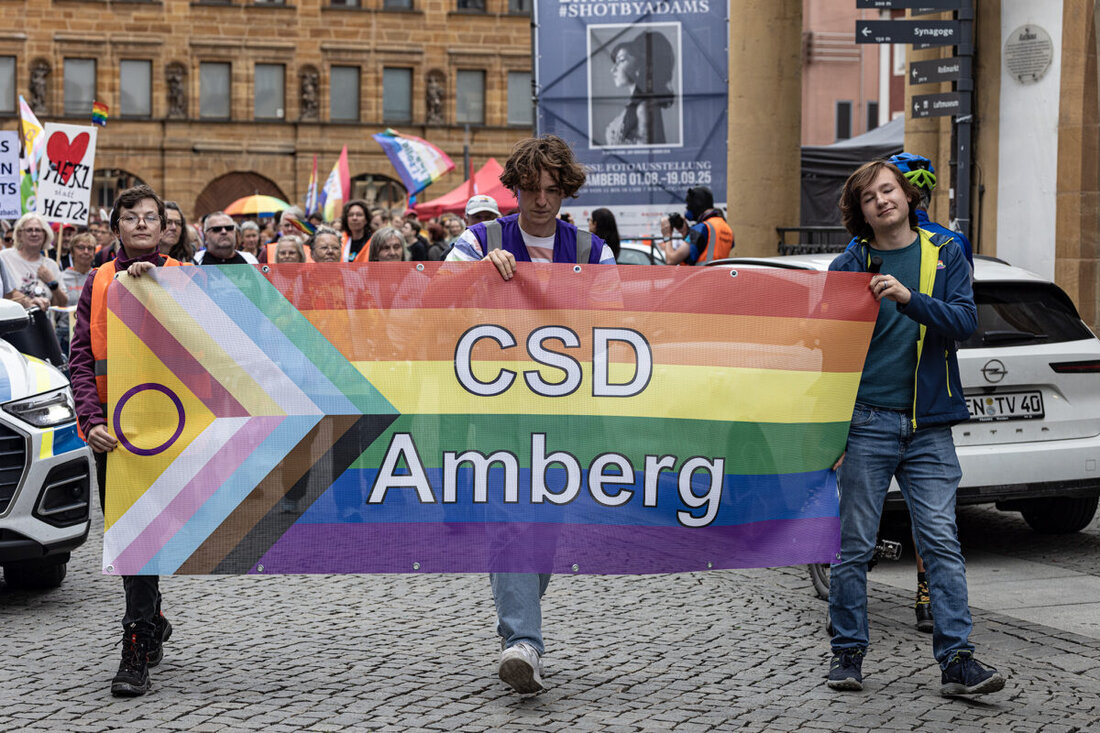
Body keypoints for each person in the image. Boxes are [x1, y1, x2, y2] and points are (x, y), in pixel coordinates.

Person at [825, 160, 1005, 697]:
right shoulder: (850, 262)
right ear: (860, 212)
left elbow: (965, 321)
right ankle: (847, 655)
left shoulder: (945, 250)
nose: (882, 201)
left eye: (888, 190)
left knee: (942, 543)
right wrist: (829, 431)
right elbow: (829, 350)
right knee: (853, 546)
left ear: (905, 195)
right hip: (866, 421)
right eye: (869, 197)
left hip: (929, 425)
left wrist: (910, 299)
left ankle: (958, 663)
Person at [446, 135, 614, 694]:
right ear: (513, 188)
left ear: (565, 191)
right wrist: (475, 277)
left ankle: (520, 620)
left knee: (545, 526)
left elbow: (618, 323)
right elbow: (436, 302)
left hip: (566, 412)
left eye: (552, 189)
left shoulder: (593, 252)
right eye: (530, 188)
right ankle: (522, 642)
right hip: (496, 411)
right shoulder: (478, 240)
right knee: (511, 519)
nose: (541, 200)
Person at [69, 184, 187, 696]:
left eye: (151, 217)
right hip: (114, 434)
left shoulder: (185, 278)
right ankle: (152, 618)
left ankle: (136, 642)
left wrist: (156, 290)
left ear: (164, 228)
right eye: (131, 217)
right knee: (129, 535)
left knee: (149, 533)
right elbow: (79, 357)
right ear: (116, 226)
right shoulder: (96, 281)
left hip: (170, 430)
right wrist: (89, 419)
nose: (141, 224)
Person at [603, 30, 675, 146]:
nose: (613, 69)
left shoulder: (644, 108)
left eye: (621, 61)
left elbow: (648, 156)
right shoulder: (637, 107)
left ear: (639, 67)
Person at [2, 212, 67, 312]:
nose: (34, 234)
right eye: (29, 230)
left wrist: (52, 283)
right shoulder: (4, 258)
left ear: (45, 235)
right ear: (19, 234)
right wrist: (28, 302)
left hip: (42, 325)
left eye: (38, 230)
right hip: (13, 325)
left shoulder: (51, 265)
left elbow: (63, 304)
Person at [661, 186, 733, 266]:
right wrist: (686, 233)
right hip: (719, 276)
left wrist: (667, 235)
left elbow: (671, 260)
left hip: (700, 276)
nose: (687, 208)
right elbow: (706, 248)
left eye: (688, 204)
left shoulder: (701, 228)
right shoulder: (726, 228)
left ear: (696, 204)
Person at [56, 232, 97, 353]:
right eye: (80, 247)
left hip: (91, 334)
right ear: (72, 252)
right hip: (65, 333)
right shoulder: (61, 277)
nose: (85, 251)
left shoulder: (99, 276)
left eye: (90, 248)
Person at [194, 213, 259, 265]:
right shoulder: (195, 261)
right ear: (206, 235)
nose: (224, 232)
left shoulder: (250, 260)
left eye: (229, 228)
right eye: (217, 229)